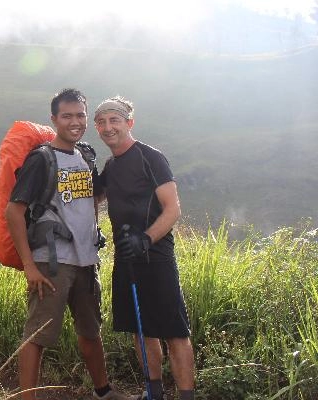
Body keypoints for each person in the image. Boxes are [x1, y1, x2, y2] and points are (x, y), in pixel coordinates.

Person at [5, 88, 130, 400]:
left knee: (91, 330)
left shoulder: (86, 155)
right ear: (54, 120)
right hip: (52, 263)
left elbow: (95, 196)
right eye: (67, 116)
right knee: (37, 335)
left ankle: (103, 392)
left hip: (87, 261)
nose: (75, 122)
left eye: (80, 115)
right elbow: (14, 211)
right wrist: (30, 267)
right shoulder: (42, 159)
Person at [94, 96, 196, 400]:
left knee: (174, 331)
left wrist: (146, 239)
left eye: (115, 120)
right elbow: (91, 199)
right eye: (101, 122)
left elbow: (172, 208)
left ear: (129, 123)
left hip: (157, 257)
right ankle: (153, 394)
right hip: (126, 258)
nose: (108, 127)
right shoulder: (111, 166)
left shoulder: (150, 157)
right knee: (141, 331)